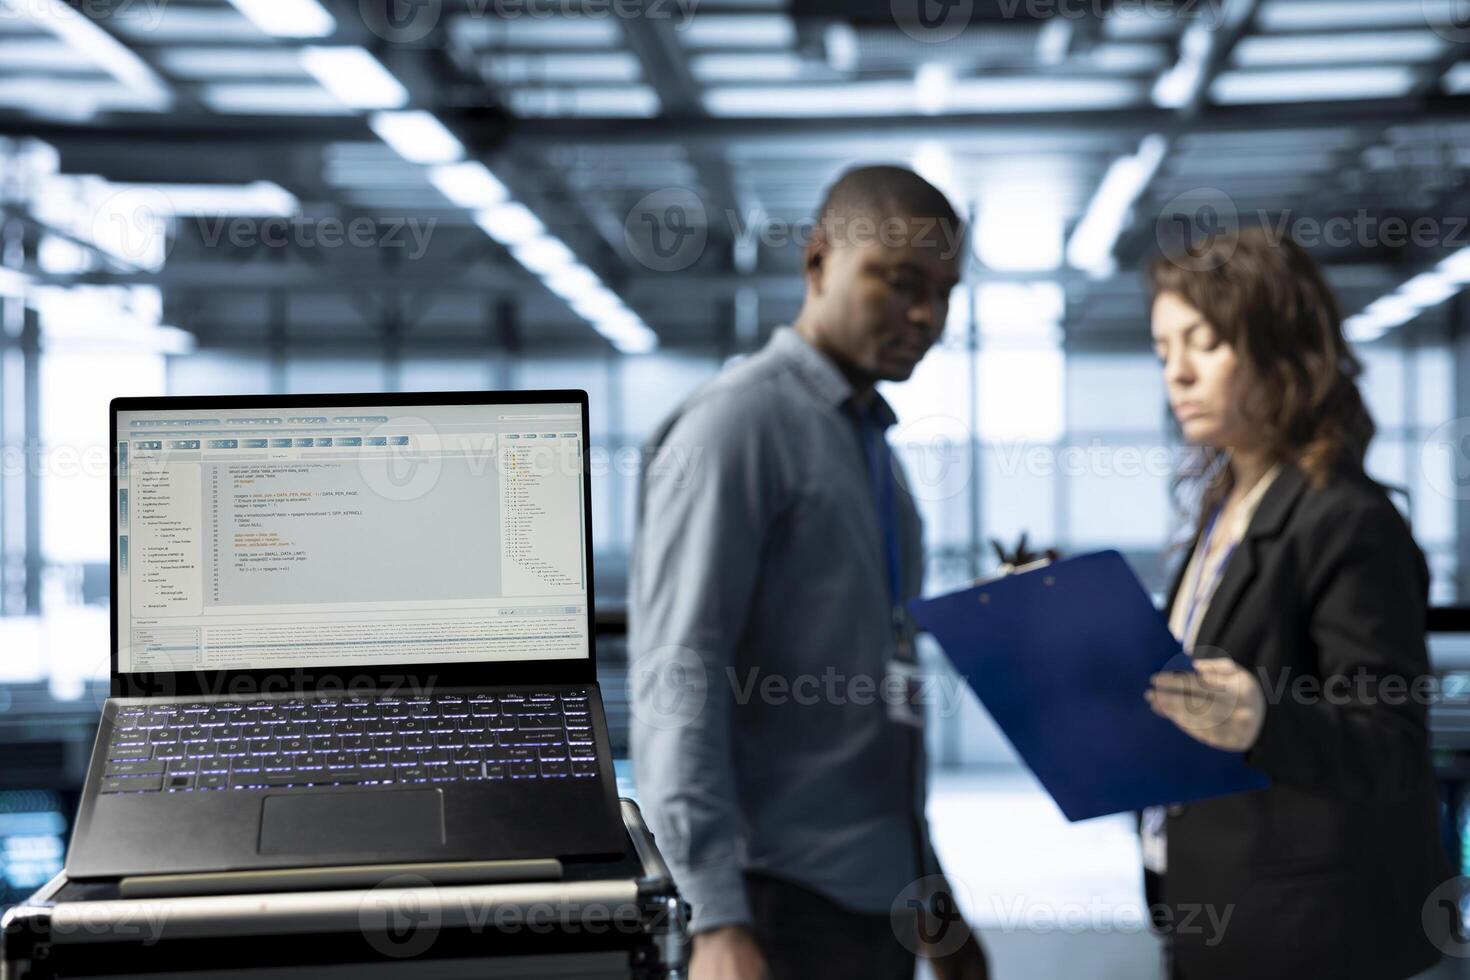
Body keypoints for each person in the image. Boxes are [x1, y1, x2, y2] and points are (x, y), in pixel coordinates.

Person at [629, 166, 988, 980]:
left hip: (872, 899)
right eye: (898, 282)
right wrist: (715, 916)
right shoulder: (737, 427)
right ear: (819, 261)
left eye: (944, 290)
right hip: (773, 901)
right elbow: (677, 677)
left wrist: (930, 896)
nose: (926, 315)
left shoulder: (872, 451)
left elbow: (881, 705)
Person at [1142, 227, 1451, 980]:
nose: (1177, 374)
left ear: (1277, 346)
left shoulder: (1346, 516)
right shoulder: (1225, 506)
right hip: (1214, 898)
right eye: (1162, 352)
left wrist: (1261, 718)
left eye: (1204, 342)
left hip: (1312, 931)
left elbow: (1392, 742)